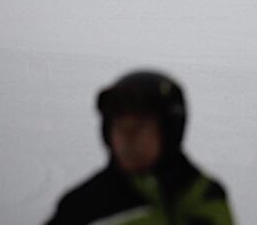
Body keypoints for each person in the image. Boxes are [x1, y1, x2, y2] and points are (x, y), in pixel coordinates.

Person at [45, 70, 235, 225]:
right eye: (119, 128)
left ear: (169, 132)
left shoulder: (204, 195)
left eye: (140, 128)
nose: (128, 139)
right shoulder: (82, 206)